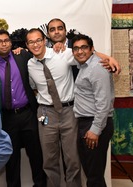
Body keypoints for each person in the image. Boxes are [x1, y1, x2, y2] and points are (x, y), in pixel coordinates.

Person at [26, 28, 81, 187]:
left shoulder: (62, 53)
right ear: (27, 45)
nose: (35, 44)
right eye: (31, 42)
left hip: (68, 112)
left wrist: (108, 59)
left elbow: (86, 54)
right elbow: (33, 86)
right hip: (45, 113)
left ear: (44, 40)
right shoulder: (30, 64)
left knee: (72, 159)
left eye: (38, 40)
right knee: (49, 160)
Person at [0, 29, 46, 187]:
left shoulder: (22, 56)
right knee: (12, 159)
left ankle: (41, 184)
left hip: (28, 113)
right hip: (7, 117)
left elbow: (41, 57)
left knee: (36, 155)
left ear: (11, 42)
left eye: (6, 40)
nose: (3, 43)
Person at [71, 34, 114, 187]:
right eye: (76, 48)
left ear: (92, 49)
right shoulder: (84, 67)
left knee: (94, 175)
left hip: (95, 123)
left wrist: (95, 130)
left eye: (83, 47)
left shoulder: (97, 68)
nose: (80, 51)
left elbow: (104, 102)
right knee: (91, 171)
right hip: (86, 122)